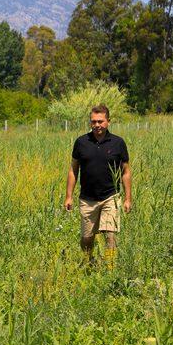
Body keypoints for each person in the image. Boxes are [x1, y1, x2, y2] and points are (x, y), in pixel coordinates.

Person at [64, 105, 132, 269]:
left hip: (111, 197)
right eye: (93, 122)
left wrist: (128, 198)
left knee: (110, 235)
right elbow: (73, 170)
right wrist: (68, 196)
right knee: (87, 238)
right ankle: (88, 261)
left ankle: (110, 267)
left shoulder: (118, 143)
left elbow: (126, 172)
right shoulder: (81, 142)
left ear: (108, 121)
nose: (97, 125)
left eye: (100, 121)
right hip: (87, 200)